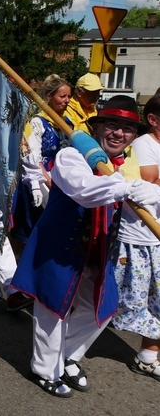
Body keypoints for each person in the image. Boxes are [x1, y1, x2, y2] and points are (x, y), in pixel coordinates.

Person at [10, 95, 160, 397]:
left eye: (127, 129)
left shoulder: (123, 164)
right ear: (97, 127)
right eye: (111, 125)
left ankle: (67, 355)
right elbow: (85, 191)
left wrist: (143, 192)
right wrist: (128, 187)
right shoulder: (71, 156)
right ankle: (44, 369)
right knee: (52, 310)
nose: (119, 133)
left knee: (103, 307)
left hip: (97, 248)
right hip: (59, 247)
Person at [111, 93, 160, 380]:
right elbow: (144, 186)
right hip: (138, 237)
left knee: (156, 301)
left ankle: (147, 357)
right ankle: (66, 346)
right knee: (115, 299)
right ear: (153, 120)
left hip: (155, 238)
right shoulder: (143, 145)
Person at [10, 75, 72, 247]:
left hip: (59, 179)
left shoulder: (67, 123)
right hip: (37, 180)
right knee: (32, 228)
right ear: (49, 97)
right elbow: (31, 155)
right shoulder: (37, 122)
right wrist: (47, 181)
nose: (67, 101)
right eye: (62, 96)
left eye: (69, 96)